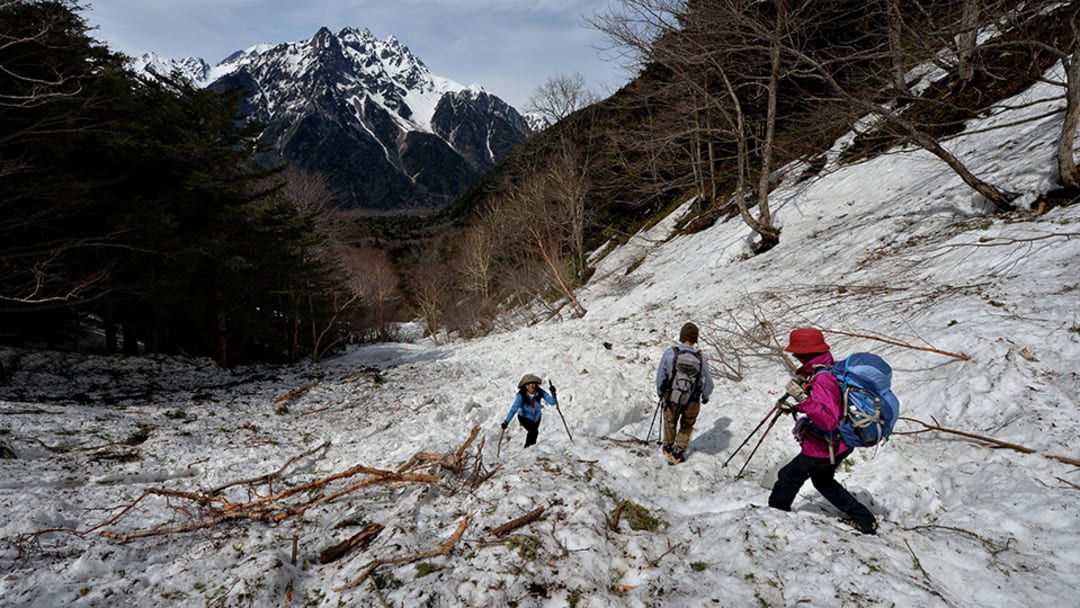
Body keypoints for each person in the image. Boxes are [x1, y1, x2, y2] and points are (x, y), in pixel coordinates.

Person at [767, 328, 878, 535]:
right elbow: (828, 406)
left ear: (807, 353)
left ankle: (773, 519)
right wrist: (796, 406)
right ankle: (865, 521)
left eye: (797, 354)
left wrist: (802, 399)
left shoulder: (823, 378)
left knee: (788, 477)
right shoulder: (827, 368)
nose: (795, 358)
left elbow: (828, 420)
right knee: (823, 481)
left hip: (824, 446)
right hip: (840, 443)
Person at [655, 322, 714, 464]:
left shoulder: (670, 353)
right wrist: (705, 397)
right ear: (695, 339)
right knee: (686, 425)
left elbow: (660, 377)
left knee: (670, 421)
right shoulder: (700, 358)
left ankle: (668, 447)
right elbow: (709, 383)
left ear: (682, 336)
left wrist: (661, 392)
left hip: (672, 396)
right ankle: (678, 451)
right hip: (692, 400)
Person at [501, 374, 555, 448]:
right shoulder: (521, 396)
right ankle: (527, 448)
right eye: (528, 384)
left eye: (533, 383)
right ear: (525, 386)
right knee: (533, 432)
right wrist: (506, 422)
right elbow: (514, 409)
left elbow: (552, 402)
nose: (531, 386)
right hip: (524, 417)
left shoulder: (539, 392)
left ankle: (530, 450)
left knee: (534, 433)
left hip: (536, 418)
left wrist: (553, 393)